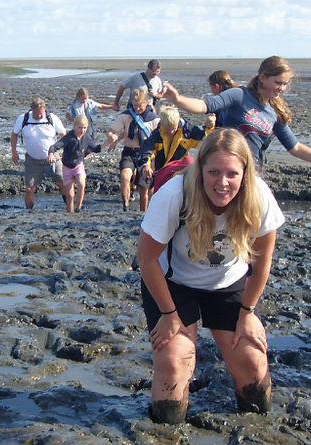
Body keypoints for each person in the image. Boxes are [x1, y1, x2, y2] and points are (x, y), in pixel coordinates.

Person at [137, 128, 285, 424]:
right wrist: (168, 314)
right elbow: (147, 258)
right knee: (174, 360)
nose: (222, 182)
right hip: (174, 283)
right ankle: (166, 430)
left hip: (228, 282)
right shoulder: (174, 195)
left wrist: (248, 312)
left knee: (252, 359)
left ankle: (257, 426)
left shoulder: (259, 197)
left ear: (245, 173)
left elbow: (263, 257)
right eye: (214, 172)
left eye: (232, 173)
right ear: (200, 169)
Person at [161, 56, 311, 176]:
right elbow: (204, 105)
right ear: (263, 77)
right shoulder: (239, 95)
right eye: (278, 83)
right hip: (221, 167)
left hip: (250, 172)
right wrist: (177, 99)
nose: (281, 88)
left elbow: (295, 147)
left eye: (285, 84)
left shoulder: (274, 113)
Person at [104, 88, 160, 211]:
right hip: (129, 152)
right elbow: (111, 131)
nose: (137, 109)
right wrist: (112, 137)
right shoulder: (126, 116)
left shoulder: (154, 119)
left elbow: (160, 139)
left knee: (143, 189)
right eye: (135, 106)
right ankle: (125, 206)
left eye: (140, 106)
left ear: (146, 103)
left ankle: (143, 212)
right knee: (125, 175)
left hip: (146, 154)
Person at [10, 97, 67, 210]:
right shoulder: (23, 118)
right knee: (29, 188)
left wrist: (64, 152)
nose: (40, 117)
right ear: (31, 110)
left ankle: (70, 207)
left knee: (63, 183)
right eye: (37, 115)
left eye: (41, 114)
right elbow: (14, 134)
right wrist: (14, 152)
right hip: (32, 160)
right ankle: (30, 211)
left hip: (52, 158)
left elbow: (64, 136)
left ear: (44, 110)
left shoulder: (52, 118)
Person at [137, 105, 214, 186]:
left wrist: (209, 126)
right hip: (161, 172)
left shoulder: (188, 132)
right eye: (167, 129)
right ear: (162, 124)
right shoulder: (157, 135)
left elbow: (205, 139)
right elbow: (146, 151)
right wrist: (145, 165)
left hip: (179, 173)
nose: (171, 132)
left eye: (174, 128)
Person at [48, 116, 102, 213]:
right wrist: (51, 154)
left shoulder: (86, 138)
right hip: (67, 167)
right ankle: (70, 213)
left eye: (85, 128)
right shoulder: (69, 137)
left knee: (81, 183)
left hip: (78, 165)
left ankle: (78, 208)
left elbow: (96, 149)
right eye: (80, 127)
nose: (82, 130)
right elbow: (55, 146)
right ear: (74, 126)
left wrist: (108, 142)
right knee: (70, 195)